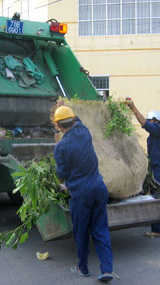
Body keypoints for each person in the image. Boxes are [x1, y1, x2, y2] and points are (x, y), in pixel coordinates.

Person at [53, 106, 114, 282]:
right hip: (99, 187)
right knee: (100, 229)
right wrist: (66, 106)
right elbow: (76, 119)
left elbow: (62, 174)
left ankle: (83, 267)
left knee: (81, 232)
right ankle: (107, 269)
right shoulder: (84, 131)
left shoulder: (61, 147)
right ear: (73, 119)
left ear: (57, 125)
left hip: (81, 193)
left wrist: (63, 185)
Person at [126, 99, 160, 238]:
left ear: (156, 121)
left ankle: (158, 230)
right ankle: (152, 220)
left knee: (155, 196)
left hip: (158, 168)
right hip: (155, 167)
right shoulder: (155, 135)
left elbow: (144, 123)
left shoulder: (158, 130)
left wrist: (134, 109)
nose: (148, 122)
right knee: (150, 192)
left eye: (151, 120)